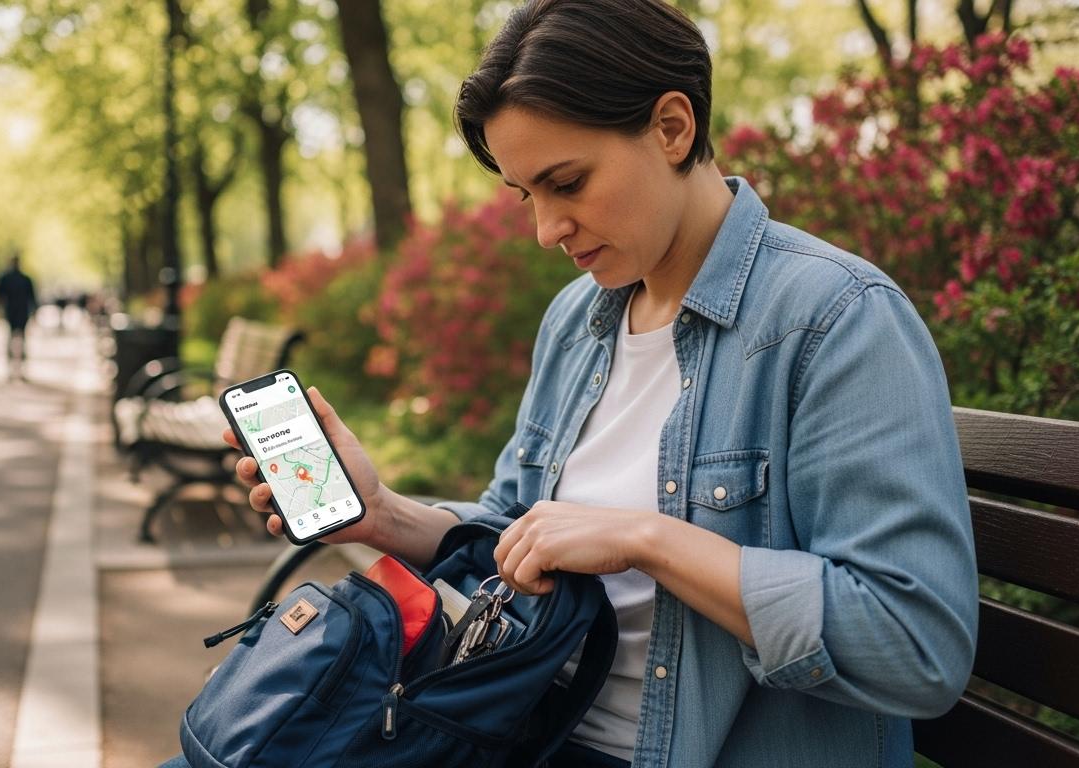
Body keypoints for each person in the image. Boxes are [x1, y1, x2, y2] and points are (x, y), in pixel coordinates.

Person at [198, 2, 977, 767]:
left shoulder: (834, 320)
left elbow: (915, 645)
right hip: (528, 734)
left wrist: (649, 541)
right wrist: (383, 516)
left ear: (672, 128)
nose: (546, 230)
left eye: (566, 183)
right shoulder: (578, 320)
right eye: (526, 195)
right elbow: (516, 530)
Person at [0, 255, 37, 381]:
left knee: (14, 340)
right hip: (20, 312)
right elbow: (32, 298)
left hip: (13, 312)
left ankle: (14, 369)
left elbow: (0, 297)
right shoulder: (25, 279)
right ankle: (18, 369)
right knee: (20, 340)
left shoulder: (6, 278)